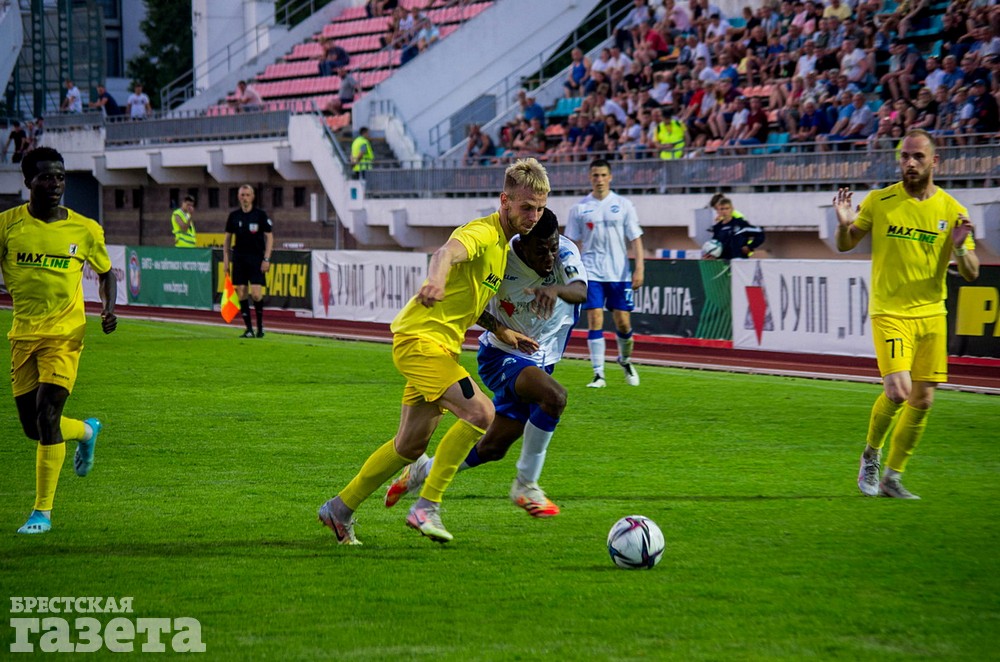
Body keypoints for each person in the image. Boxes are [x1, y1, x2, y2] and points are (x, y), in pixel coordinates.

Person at [317, 158, 550, 545]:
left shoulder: (502, 247)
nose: (534, 215)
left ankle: (339, 509)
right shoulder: (480, 232)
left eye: (540, 208)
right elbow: (444, 254)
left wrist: (502, 330)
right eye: (527, 207)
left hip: (440, 347)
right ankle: (427, 506)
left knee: (409, 446)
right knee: (482, 412)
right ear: (505, 200)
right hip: (420, 341)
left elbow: (469, 302)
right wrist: (434, 282)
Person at [383, 208, 587, 518]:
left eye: (553, 247)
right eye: (541, 250)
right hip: (501, 356)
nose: (549, 257)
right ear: (522, 243)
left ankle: (421, 472)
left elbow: (579, 291)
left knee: (492, 448)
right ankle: (526, 485)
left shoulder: (565, 252)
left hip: (542, 358)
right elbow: (472, 306)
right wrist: (502, 329)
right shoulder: (502, 259)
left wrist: (555, 289)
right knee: (554, 397)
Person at [834, 129, 979, 500]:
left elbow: (972, 273)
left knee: (923, 400)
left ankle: (893, 478)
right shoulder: (881, 200)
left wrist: (961, 248)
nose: (909, 163)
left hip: (932, 313)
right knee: (898, 391)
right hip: (890, 310)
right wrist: (843, 222)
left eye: (917, 157)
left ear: (935, 161)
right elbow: (846, 243)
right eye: (904, 157)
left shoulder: (952, 210)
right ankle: (871, 454)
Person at [0, 147, 117, 534]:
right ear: (27, 181)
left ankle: (42, 512)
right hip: (23, 334)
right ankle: (86, 430)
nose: (55, 184)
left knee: (48, 415)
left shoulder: (84, 228)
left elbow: (106, 272)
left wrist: (108, 308)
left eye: (61, 177)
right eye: (46, 177)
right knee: (33, 429)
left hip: (66, 334)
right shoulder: (7, 226)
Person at [566, 158, 644, 389]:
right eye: (595, 175)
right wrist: (572, 272)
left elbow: (635, 238)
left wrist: (639, 267)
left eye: (603, 175)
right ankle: (598, 374)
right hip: (592, 271)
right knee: (595, 318)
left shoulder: (624, 204)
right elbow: (571, 242)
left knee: (622, 323)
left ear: (610, 177)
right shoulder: (579, 208)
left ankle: (625, 360)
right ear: (590, 178)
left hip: (619, 273)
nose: (599, 179)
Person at [222, 185, 273, 338]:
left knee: (256, 294)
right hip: (239, 258)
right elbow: (227, 240)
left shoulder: (260, 215)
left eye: (247, 195)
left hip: (256, 258)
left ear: (252, 197)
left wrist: (267, 258)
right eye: (242, 195)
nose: (245, 197)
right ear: (239, 197)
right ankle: (249, 329)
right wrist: (226, 260)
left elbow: (270, 237)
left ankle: (260, 327)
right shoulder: (233, 216)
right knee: (241, 292)